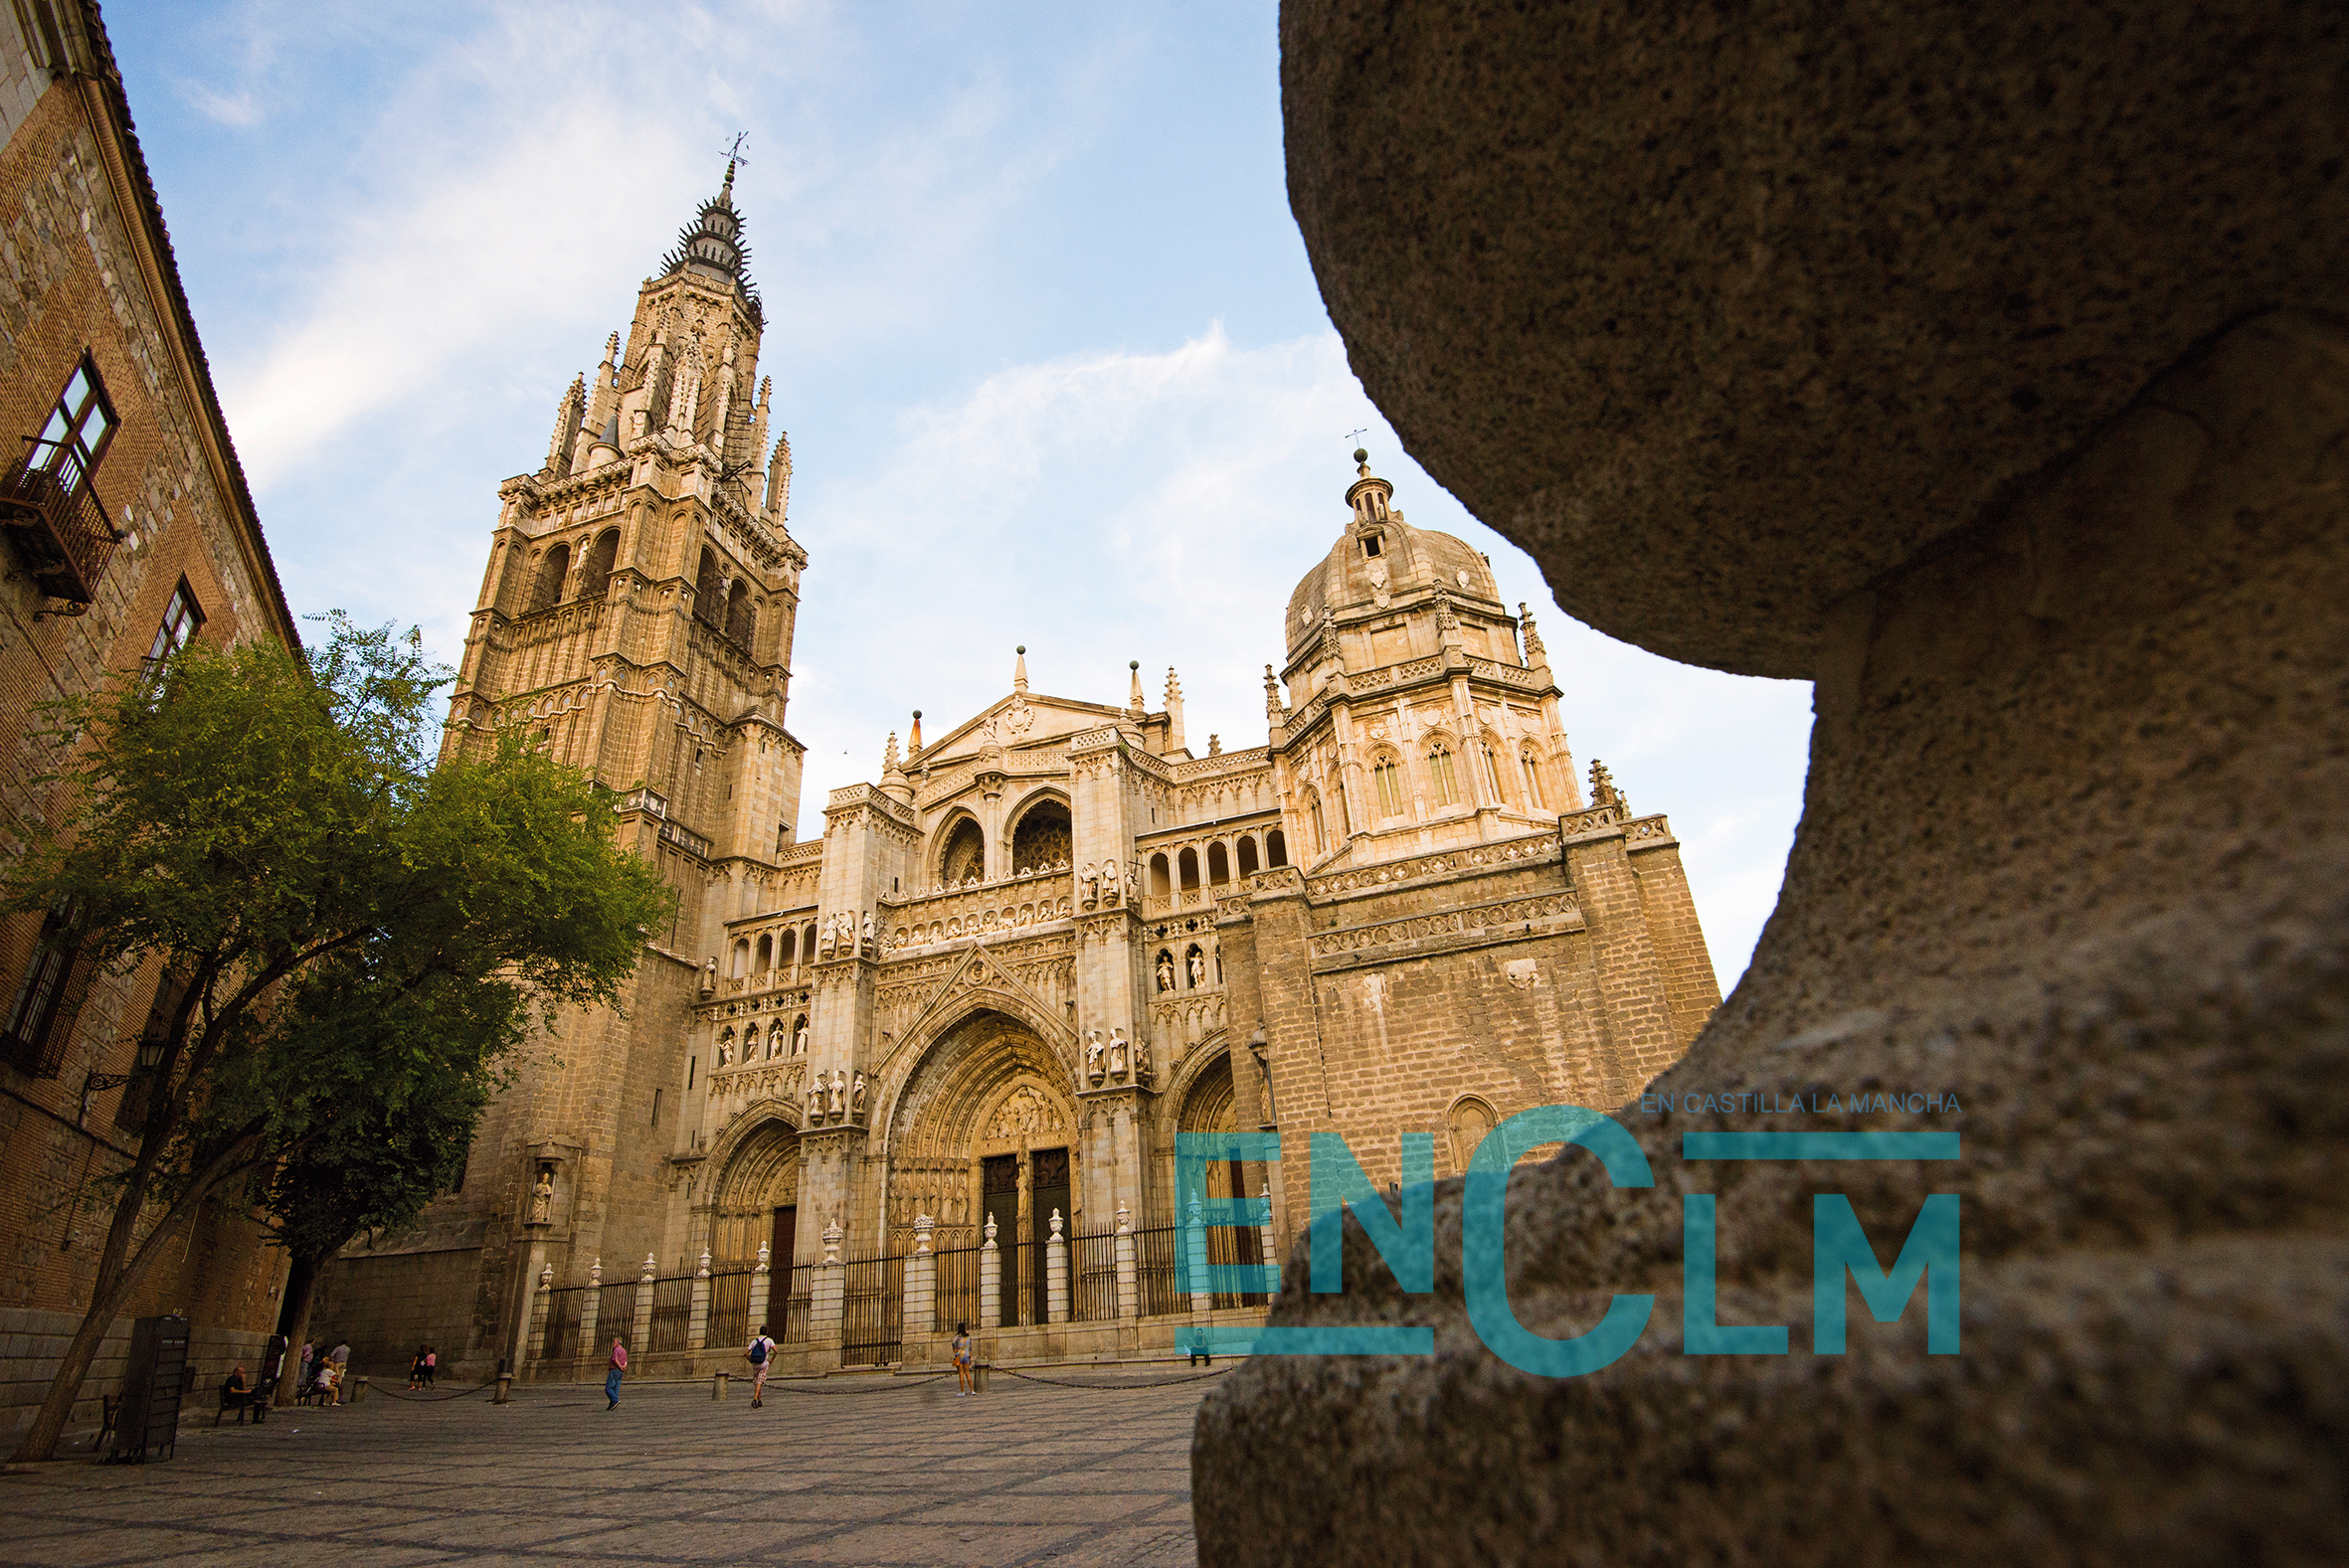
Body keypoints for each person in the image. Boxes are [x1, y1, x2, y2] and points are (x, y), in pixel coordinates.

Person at [744, 1323, 777, 1408]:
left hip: (755, 1364)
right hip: (764, 1364)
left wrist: (750, 1360)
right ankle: (755, 1399)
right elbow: (776, 1351)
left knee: (757, 1383)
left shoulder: (754, 1341)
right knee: (759, 1382)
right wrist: (772, 1359)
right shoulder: (769, 1340)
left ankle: (759, 1400)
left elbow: (746, 1353)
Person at [606, 1335, 628, 1410]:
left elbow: (615, 1360)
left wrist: (620, 1366)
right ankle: (612, 1404)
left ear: (618, 1343)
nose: (612, 1344)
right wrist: (624, 1367)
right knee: (616, 1389)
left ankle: (615, 1400)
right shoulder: (624, 1350)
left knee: (608, 1388)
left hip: (615, 1369)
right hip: (620, 1372)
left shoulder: (616, 1350)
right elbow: (625, 1361)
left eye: (614, 1342)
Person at [953, 1322, 974, 1397]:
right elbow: (970, 1349)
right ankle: (972, 1390)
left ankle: (962, 1391)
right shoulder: (968, 1337)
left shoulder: (956, 1337)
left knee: (961, 1373)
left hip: (960, 1356)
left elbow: (954, 1349)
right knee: (967, 1373)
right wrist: (970, 1357)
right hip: (967, 1356)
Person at [328, 1339, 352, 1405]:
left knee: (336, 1374)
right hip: (344, 1362)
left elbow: (332, 1354)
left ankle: (336, 1383)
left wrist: (332, 1359)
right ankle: (339, 1382)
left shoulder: (338, 1348)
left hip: (338, 1362)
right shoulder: (348, 1349)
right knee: (340, 1375)